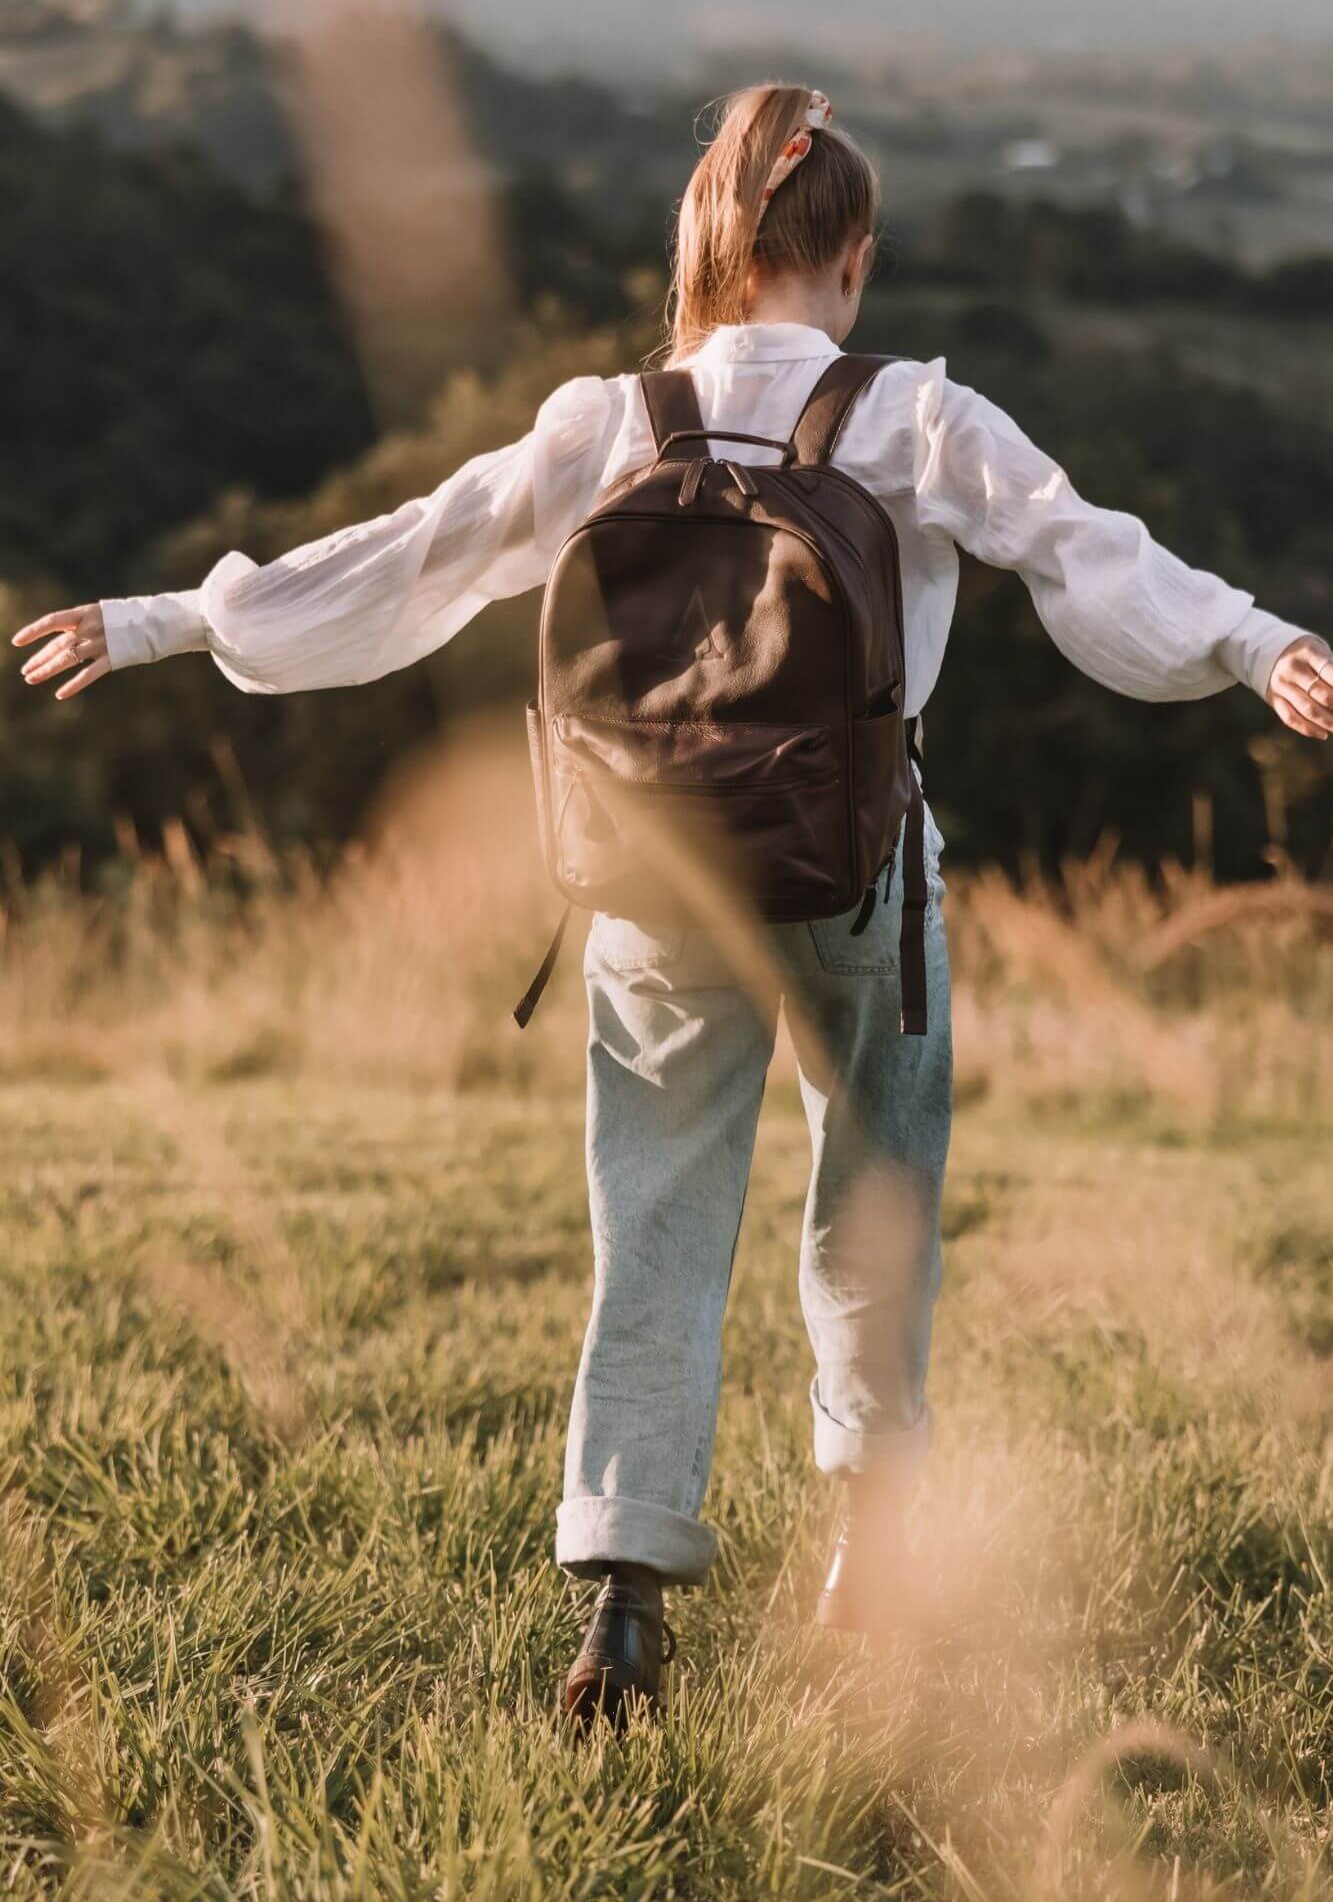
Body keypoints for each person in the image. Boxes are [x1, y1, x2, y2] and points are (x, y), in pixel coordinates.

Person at [15, 84, 1332, 1729]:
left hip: (648, 871)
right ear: (848, 257)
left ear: (705, 250)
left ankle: (621, 1605)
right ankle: (869, 1559)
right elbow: (1089, 559)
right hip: (857, 869)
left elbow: (414, 557)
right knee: (875, 1196)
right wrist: (1253, 644)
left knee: (651, 1223)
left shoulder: (605, 421)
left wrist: (167, 622)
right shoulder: (912, 412)